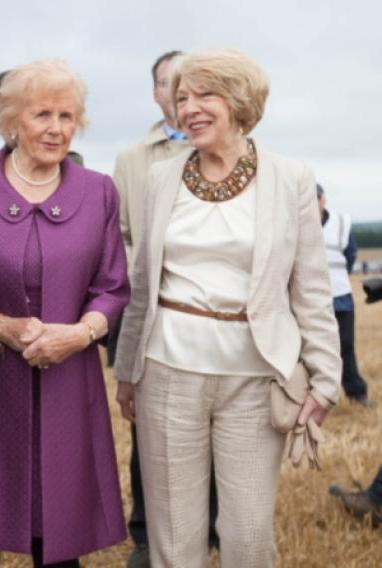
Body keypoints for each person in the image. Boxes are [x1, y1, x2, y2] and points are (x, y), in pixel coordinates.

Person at [114, 49, 341, 567]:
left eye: (203, 95)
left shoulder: (290, 178)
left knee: (248, 535)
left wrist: (326, 377)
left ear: (239, 101)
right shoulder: (160, 178)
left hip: (255, 379)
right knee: (173, 538)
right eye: (182, 98)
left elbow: (310, 286)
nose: (188, 108)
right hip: (167, 373)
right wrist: (127, 369)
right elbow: (144, 283)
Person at [0, 59, 130, 566]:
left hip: (69, 379)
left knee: (60, 533)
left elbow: (112, 287)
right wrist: (4, 328)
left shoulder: (98, 190)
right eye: (42, 114)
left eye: (67, 117)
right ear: (11, 121)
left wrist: (80, 334)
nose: (56, 129)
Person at [111, 50, 219, 568]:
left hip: (217, 320)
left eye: (197, 85)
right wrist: (149, 278)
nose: (183, 95)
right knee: (151, 433)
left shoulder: (245, 153)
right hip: (152, 312)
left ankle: (213, 529)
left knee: (221, 426)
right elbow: (123, 234)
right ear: (157, 94)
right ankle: (148, 535)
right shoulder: (134, 160)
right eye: (171, 85)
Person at [317, 184, 369, 406]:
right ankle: (314, 395)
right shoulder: (296, 222)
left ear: (323, 199)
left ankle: (356, 392)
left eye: (315, 198)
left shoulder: (341, 223)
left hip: (341, 296)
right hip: (310, 300)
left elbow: (351, 254)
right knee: (310, 348)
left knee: (345, 344)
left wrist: (339, 278)